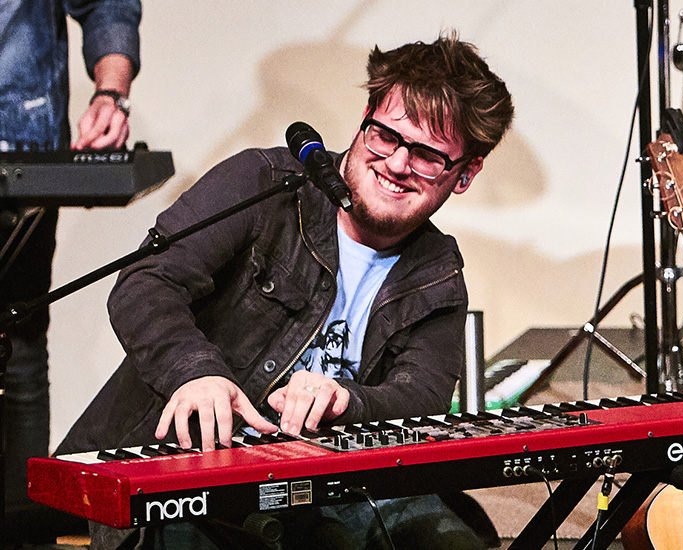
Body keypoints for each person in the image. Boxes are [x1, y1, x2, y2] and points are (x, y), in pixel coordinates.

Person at [55, 34, 513, 550]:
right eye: (386, 136)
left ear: (466, 174)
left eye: (429, 155)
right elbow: (146, 283)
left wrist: (347, 399)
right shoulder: (266, 183)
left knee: (450, 540)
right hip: (178, 470)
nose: (398, 164)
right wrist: (197, 371)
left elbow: (421, 394)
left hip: (326, 488)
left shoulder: (437, 271)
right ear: (365, 116)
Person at [0, 0, 140, 544]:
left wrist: (111, 93)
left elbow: (109, 4)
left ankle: (24, 530)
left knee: (20, 348)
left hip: (22, 140)